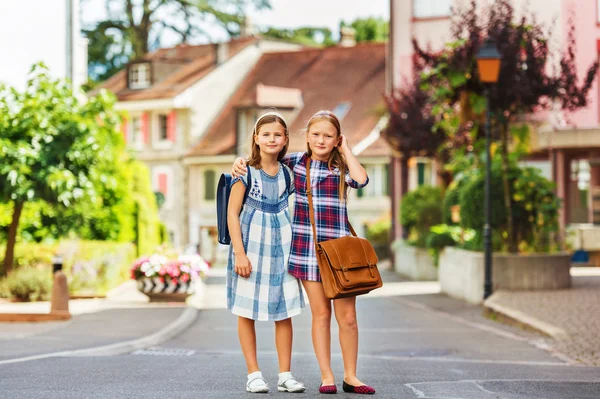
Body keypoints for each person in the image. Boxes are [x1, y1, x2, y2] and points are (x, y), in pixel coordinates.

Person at [232, 110, 375, 395]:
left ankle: (351, 376)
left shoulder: (342, 166)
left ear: (336, 139)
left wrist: (346, 149)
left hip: (340, 253)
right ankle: (327, 376)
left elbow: (361, 180)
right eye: (316, 135)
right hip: (307, 251)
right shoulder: (294, 163)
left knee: (347, 318)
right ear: (306, 137)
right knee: (320, 315)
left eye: (328, 136)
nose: (321, 140)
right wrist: (240, 162)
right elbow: (264, 160)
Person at [227, 111, 306, 394]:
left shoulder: (288, 172)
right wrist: (239, 253)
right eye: (266, 134)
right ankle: (253, 374)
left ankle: (285, 374)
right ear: (256, 139)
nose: (272, 139)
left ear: (285, 139)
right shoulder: (244, 172)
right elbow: (232, 214)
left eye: (277, 134)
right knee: (246, 310)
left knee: (283, 312)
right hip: (251, 248)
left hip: (282, 249)